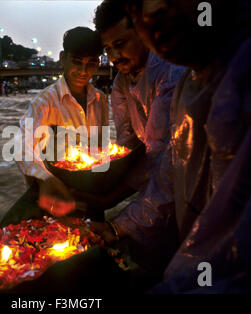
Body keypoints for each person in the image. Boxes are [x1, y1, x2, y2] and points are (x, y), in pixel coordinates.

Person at [92, 0, 251, 292]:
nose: (151, 11)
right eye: (135, 6)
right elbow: (168, 166)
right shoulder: (190, 83)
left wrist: (114, 214)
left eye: (121, 43)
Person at [74, 0, 185, 211]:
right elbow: (127, 141)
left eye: (119, 45)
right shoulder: (120, 83)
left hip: (180, 180)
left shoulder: (170, 73)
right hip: (153, 181)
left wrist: (108, 200)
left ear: (142, 32)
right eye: (108, 49)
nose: (114, 57)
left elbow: (159, 152)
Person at [0, 26, 108, 228]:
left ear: (98, 63)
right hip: (56, 200)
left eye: (91, 63)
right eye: (77, 62)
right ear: (63, 58)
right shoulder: (45, 102)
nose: (84, 71)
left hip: (93, 197)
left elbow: (102, 148)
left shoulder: (100, 100)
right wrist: (45, 179)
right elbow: (22, 147)